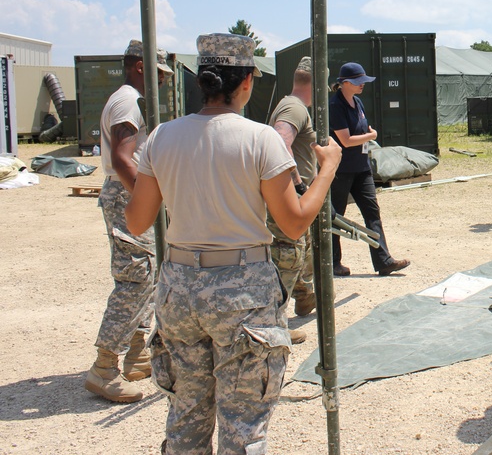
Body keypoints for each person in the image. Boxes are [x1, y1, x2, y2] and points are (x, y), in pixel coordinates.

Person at [126, 33, 341, 454]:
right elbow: (294, 223)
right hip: (242, 291)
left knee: (186, 417)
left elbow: (136, 220)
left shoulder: (162, 137)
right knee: (243, 427)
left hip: (179, 289)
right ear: (246, 82)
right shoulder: (258, 138)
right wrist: (327, 170)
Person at [85, 39, 172, 403]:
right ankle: (104, 367)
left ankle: (138, 355)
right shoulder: (127, 101)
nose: (164, 81)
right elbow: (123, 159)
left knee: (148, 275)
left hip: (127, 193)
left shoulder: (127, 100)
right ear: (140, 66)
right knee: (135, 278)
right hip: (126, 194)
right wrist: (145, 198)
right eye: (159, 73)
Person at [328, 62, 410, 276]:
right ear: (344, 83)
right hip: (341, 169)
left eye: (363, 81)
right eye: (357, 82)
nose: (362, 85)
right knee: (335, 216)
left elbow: (361, 130)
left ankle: (383, 261)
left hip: (361, 169)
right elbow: (345, 140)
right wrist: (371, 136)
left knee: (372, 213)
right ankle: (333, 263)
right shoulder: (335, 106)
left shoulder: (358, 102)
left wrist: (367, 134)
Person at [266, 56, 320, 345]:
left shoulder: (293, 105)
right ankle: (275, 322)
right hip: (288, 197)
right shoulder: (294, 107)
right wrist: (298, 184)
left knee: (303, 250)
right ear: (317, 83)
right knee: (289, 255)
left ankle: (304, 297)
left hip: (293, 196)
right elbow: (280, 140)